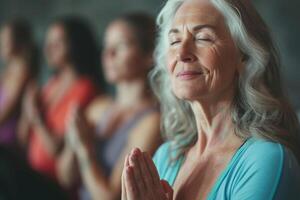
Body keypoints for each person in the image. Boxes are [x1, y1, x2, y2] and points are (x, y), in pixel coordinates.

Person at [121, 0, 300, 199]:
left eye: (203, 38)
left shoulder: (267, 160)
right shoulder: (166, 157)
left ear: (244, 55)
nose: (182, 53)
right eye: (174, 41)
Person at [62, 12, 161, 200]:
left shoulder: (152, 121)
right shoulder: (98, 106)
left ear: (149, 56)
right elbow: (66, 177)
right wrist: (72, 141)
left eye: (121, 46)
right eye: (106, 46)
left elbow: (110, 196)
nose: (108, 54)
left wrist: (85, 149)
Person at [18, 16, 101, 187]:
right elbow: (23, 136)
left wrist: (35, 116)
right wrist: (27, 108)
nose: (48, 48)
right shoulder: (51, 84)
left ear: (74, 45)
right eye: (48, 42)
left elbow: (56, 150)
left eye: (57, 43)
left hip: (55, 183)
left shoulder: (85, 88)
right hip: (33, 173)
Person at [0, 19, 38, 149]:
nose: (2, 44)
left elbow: (7, 111)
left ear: (19, 42)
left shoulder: (24, 74)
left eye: (6, 40)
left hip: (8, 142)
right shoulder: (7, 72)